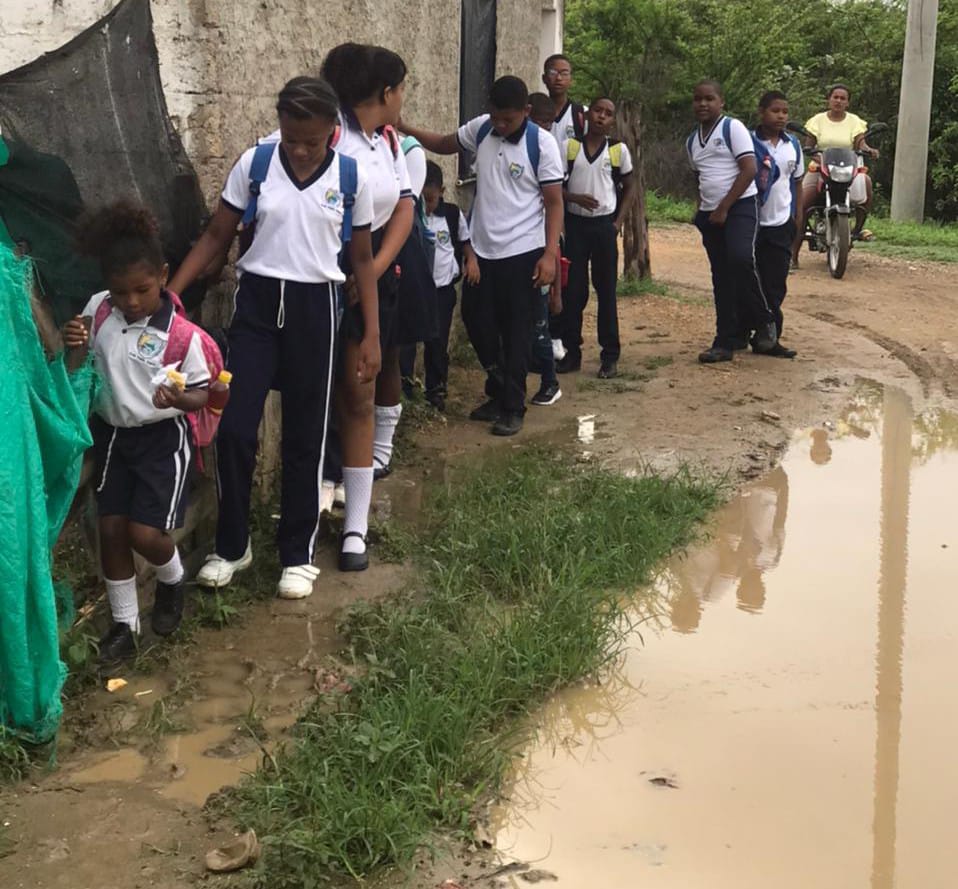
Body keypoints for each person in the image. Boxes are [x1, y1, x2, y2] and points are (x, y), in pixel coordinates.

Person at [168, 76, 379, 598]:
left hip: (317, 308)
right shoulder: (256, 165)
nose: (301, 149)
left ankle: (297, 553)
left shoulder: (353, 178)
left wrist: (372, 332)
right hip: (258, 305)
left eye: (312, 140)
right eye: (291, 138)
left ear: (333, 131)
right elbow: (218, 234)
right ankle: (233, 546)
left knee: (305, 434)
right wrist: (171, 296)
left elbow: (363, 261)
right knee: (235, 426)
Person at [63, 201, 211, 661]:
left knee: (145, 533)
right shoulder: (98, 312)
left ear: (164, 276)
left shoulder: (181, 335)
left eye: (142, 290)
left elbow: (203, 395)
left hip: (161, 442)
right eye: (120, 291)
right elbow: (76, 369)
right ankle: (124, 625)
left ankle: (171, 580)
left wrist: (178, 400)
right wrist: (75, 346)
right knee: (110, 529)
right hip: (112, 437)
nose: (130, 301)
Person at [402, 75, 564, 435]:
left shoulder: (543, 145)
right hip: (483, 251)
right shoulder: (481, 129)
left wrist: (550, 254)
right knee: (477, 321)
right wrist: (404, 129)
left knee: (517, 330)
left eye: (508, 119)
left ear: (525, 111)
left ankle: (512, 406)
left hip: (524, 251)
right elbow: (446, 144)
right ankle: (502, 384)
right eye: (496, 117)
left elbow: (554, 203)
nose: (501, 125)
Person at [320, 44, 414, 568]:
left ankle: (355, 528)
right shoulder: (329, 134)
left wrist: (372, 272)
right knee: (317, 391)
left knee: (358, 394)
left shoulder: (388, 140)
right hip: (319, 272)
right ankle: (313, 503)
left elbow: (404, 204)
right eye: (402, 89)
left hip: (368, 270)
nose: (403, 98)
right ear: (385, 92)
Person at [686, 78, 777, 364]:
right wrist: (701, 209)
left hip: (739, 206)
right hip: (711, 213)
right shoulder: (691, 141)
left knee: (740, 259)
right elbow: (698, 176)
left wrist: (725, 206)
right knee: (721, 277)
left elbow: (749, 169)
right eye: (698, 99)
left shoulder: (731, 128)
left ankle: (764, 318)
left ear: (721, 102)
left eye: (709, 98)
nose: (703, 104)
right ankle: (723, 341)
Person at [559, 96, 635, 378]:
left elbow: (629, 186)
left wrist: (617, 222)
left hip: (604, 227)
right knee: (574, 292)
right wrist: (574, 197)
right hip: (576, 226)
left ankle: (610, 356)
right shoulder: (570, 147)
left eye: (608, 113)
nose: (602, 116)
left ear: (613, 121)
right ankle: (572, 352)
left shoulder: (618, 151)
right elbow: (555, 186)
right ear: (588, 115)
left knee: (606, 292)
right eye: (598, 111)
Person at [401, 160, 479, 411]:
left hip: (442, 290)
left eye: (431, 199)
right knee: (408, 341)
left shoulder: (452, 215)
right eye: (420, 200)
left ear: (442, 192)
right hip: (414, 291)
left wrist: (471, 260)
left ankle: (436, 388)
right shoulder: (408, 218)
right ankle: (406, 387)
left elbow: (465, 242)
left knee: (437, 341)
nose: (426, 206)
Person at [792, 83, 879, 265]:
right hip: (821, 167)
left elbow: (860, 143)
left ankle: (857, 230)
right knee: (803, 204)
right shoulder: (817, 120)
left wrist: (868, 149)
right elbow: (809, 145)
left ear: (848, 103)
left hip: (848, 168)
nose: (838, 101)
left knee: (867, 184)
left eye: (843, 98)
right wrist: (814, 155)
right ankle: (793, 254)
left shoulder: (855, 121)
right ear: (829, 100)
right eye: (835, 97)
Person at [753, 91, 803, 359]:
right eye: (775, 111)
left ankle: (770, 336)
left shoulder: (792, 145)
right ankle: (741, 330)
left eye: (785, 111)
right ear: (761, 112)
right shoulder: (748, 141)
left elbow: (796, 183)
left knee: (775, 282)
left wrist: (797, 217)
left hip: (781, 222)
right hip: (752, 222)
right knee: (750, 279)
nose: (781, 116)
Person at [527, 92, 564, 405]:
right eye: (539, 122)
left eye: (549, 124)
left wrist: (557, 292)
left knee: (539, 323)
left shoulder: (545, 149)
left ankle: (550, 381)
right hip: (517, 249)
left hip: (541, 249)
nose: (544, 128)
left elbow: (555, 205)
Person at [541, 54, 586, 161]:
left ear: (571, 79)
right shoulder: (533, 111)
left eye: (564, 73)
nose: (559, 78)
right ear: (544, 78)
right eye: (553, 73)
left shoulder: (582, 114)